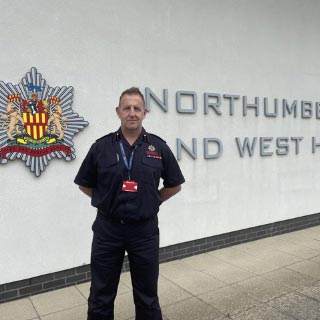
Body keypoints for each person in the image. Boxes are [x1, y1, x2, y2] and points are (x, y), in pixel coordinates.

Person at [74, 87, 185, 320]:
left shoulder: (158, 147)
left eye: (137, 108)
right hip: (108, 229)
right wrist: (105, 200)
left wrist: (153, 200)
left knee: (147, 295)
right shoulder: (101, 147)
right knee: (100, 295)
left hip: (144, 231)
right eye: (127, 108)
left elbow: (175, 185)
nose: (132, 113)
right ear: (118, 112)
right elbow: (84, 183)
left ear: (145, 112)